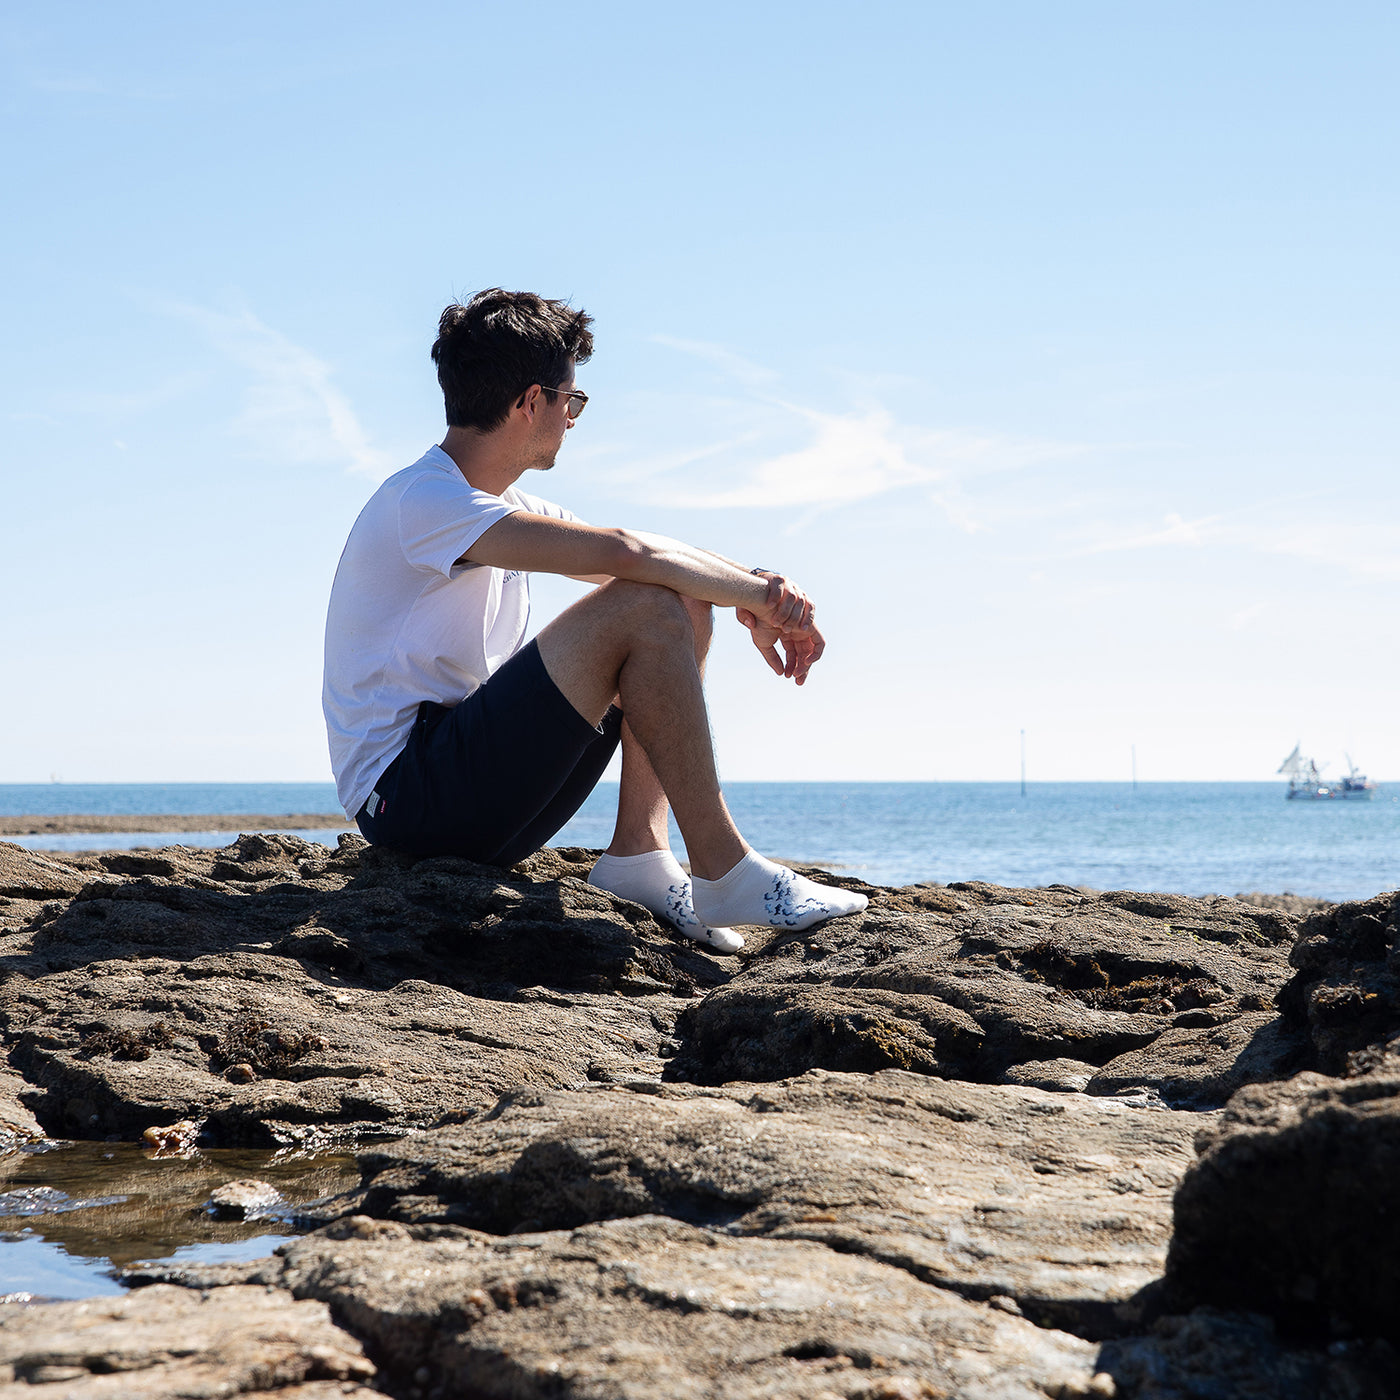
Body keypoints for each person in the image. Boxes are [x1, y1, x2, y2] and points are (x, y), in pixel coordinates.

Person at [322, 288, 867, 954]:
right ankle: (725, 868)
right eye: (570, 400)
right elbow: (626, 555)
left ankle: (639, 855)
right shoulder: (424, 501)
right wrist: (758, 596)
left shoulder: (494, 503)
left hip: (465, 792)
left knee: (679, 598)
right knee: (645, 600)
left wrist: (756, 593)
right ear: (530, 403)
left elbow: (649, 559)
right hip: (406, 800)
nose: (574, 418)